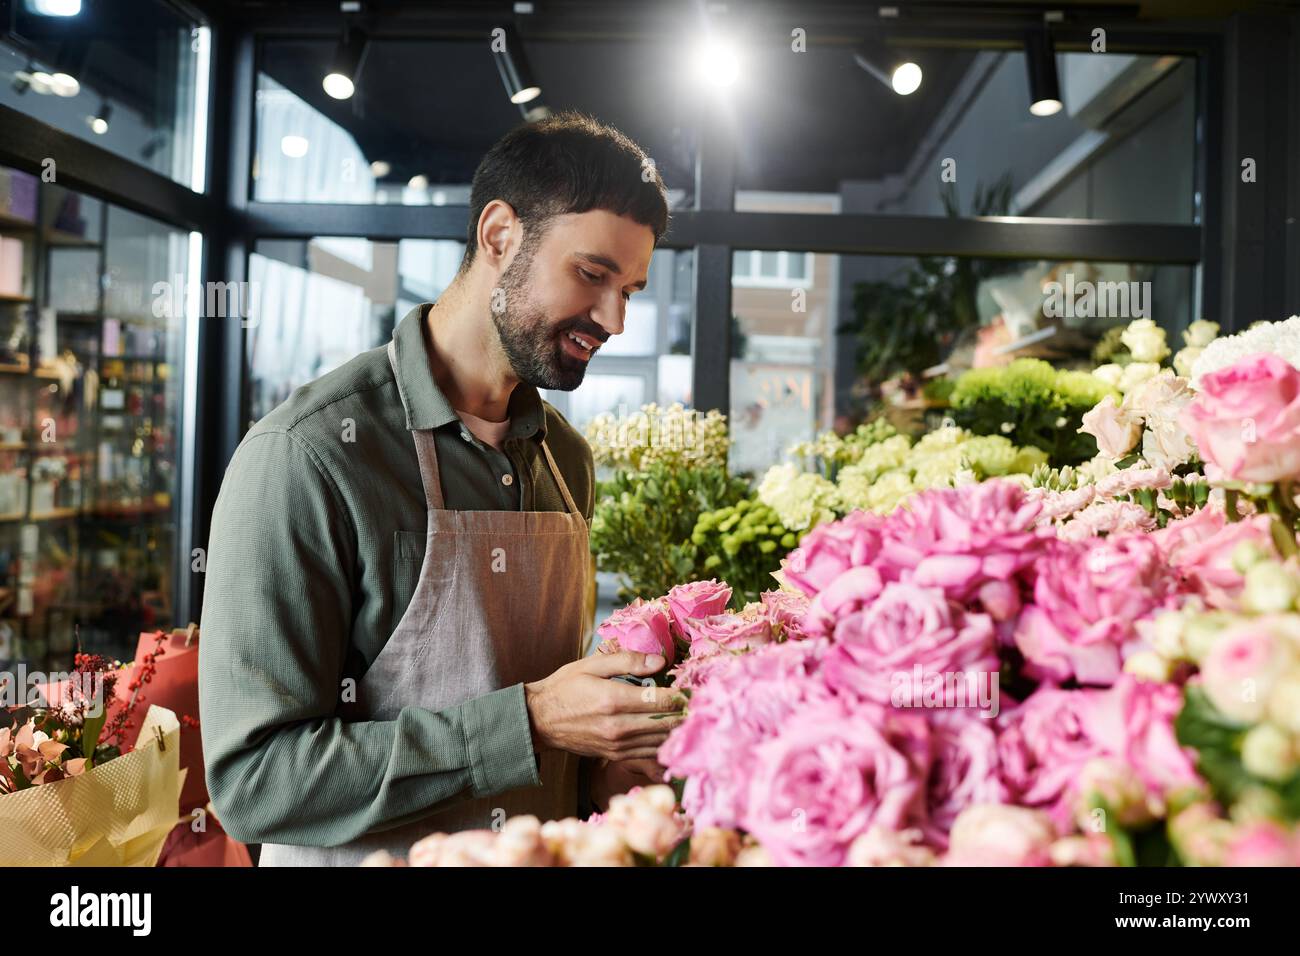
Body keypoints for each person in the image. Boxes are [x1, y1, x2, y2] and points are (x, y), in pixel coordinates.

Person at [199, 112, 683, 866]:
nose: (614, 319)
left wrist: (606, 766)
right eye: (593, 275)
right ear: (499, 236)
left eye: (632, 289)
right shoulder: (311, 455)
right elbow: (255, 782)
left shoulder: (567, 459)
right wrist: (529, 722)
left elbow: (546, 726)